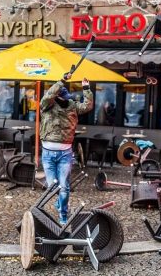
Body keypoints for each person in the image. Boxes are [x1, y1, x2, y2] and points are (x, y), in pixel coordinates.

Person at [40, 73, 93, 225]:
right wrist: (62, 81)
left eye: (67, 97)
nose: (67, 99)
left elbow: (88, 106)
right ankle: (60, 204)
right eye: (63, 96)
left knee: (64, 187)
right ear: (57, 95)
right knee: (52, 187)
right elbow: (48, 95)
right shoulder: (47, 105)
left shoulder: (72, 105)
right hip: (48, 152)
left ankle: (63, 215)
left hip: (65, 152)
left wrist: (86, 88)